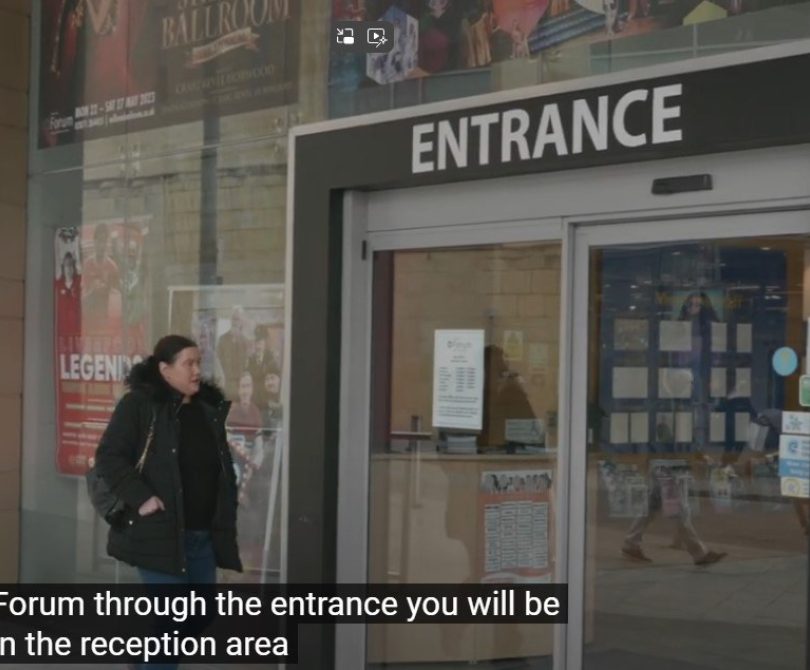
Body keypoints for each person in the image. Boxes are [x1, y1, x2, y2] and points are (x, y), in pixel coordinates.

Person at [94, 334, 242, 582]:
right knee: (174, 615)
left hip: (203, 536)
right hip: (160, 535)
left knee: (201, 616)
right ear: (165, 370)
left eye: (199, 362)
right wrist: (142, 498)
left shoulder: (207, 410)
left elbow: (217, 465)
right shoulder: (139, 405)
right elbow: (109, 456)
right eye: (188, 364)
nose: (197, 370)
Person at [216, 306, 249, 399]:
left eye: (238, 319)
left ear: (242, 321)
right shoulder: (222, 339)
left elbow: (247, 363)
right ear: (230, 320)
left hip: (242, 385)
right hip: (227, 383)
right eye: (234, 319)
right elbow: (218, 360)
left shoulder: (245, 341)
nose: (235, 322)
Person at [55, 250, 81, 335]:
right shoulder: (58, 284)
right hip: (62, 329)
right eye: (66, 265)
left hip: (76, 329)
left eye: (71, 266)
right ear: (63, 267)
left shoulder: (79, 283)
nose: (68, 269)